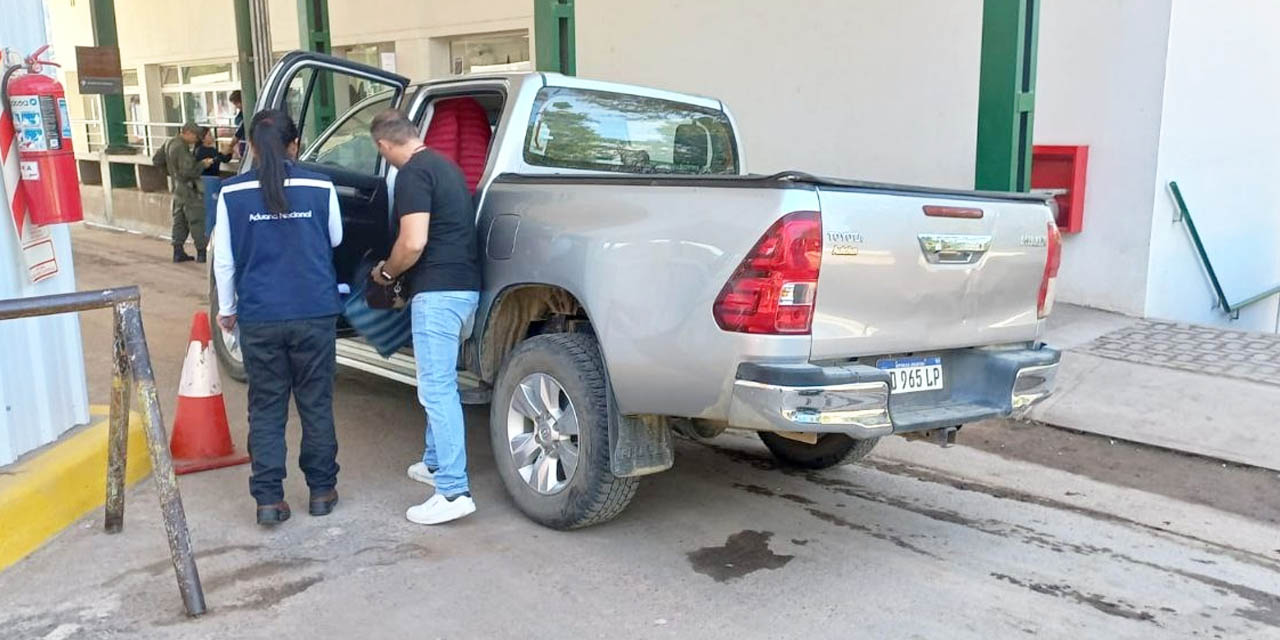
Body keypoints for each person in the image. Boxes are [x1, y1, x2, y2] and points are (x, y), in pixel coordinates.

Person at [212, 109, 345, 526]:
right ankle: (321, 491)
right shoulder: (320, 185)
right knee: (316, 404)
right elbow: (336, 237)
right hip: (314, 312)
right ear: (295, 146)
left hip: (261, 316)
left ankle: (269, 499)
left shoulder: (231, 194)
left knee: (266, 408)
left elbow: (225, 263)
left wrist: (227, 310)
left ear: (249, 147)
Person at [370, 108, 481, 525]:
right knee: (442, 382)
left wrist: (386, 272)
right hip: (465, 289)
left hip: (437, 293)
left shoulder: (413, 173)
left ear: (383, 146)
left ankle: (453, 490)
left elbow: (413, 242)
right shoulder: (446, 167)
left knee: (436, 390)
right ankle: (435, 462)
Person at [164, 122, 213, 263]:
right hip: (189, 190)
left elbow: (157, 160)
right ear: (188, 133)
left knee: (179, 220)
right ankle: (202, 252)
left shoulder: (169, 143)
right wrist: (203, 164)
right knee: (196, 219)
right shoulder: (181, 147)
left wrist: (173, 174)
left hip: (177, 188)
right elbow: (188, 172)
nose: (197, 139)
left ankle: (177, 250)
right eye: (196, 136)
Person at [195, 127, 232, 239]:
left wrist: (229, 152)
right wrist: (222, 154)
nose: (212, 137)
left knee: (214, 208)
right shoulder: (201, 151)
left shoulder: (212, 150)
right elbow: (214, 160)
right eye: (209, 135)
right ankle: (208, 233)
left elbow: (222, 159)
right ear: (203, 138)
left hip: (214, 180)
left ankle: (210, 233)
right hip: (208, 180)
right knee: (210, 208)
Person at [230, 90, 246, 158]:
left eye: (236, 103)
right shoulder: (241, 114)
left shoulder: (244, 115)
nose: (236, 106)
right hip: (243, 144)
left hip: (245, 143)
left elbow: (240, 129)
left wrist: (231, 145)